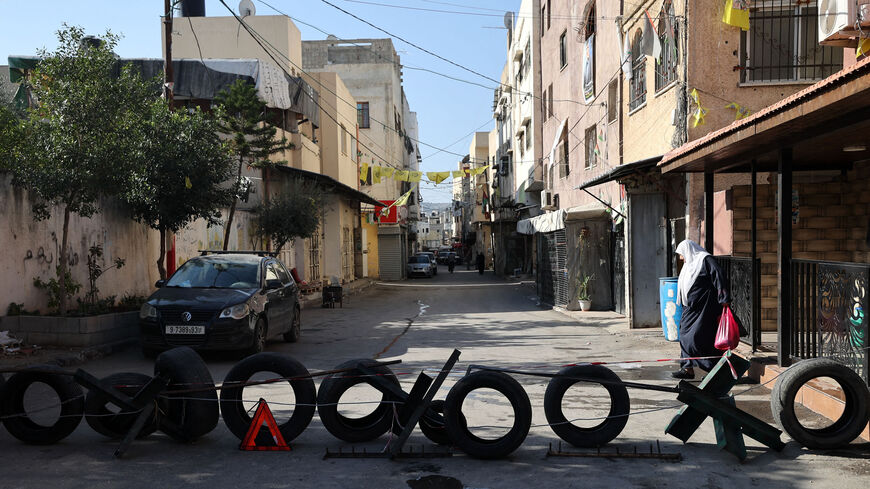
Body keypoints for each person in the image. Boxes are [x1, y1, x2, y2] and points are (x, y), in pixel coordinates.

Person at [672, 240, 730, 379]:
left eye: (683, 256)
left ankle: (712, 370)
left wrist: (724, 298)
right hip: (690, 308)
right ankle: (687, 368)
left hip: (704, 307)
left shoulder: (705, 260)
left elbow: (719, 276)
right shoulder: (690, 264)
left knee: (697, 338)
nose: (683, 259)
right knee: (685, 335)